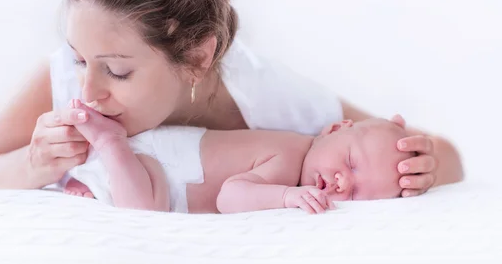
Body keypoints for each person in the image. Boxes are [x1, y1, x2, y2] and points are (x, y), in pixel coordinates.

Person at [0, 0, 463, 199]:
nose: (87, 89)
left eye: (117, 70)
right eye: (79, 57)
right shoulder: (66, 81)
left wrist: (425, 167)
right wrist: (30, 165)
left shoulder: (266, 97)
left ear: (199, 54)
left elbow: (443, 155)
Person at [63, 98, 412, 214]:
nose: (343, 181)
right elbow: (229, 197)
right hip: (163, 163)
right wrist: (287, 196)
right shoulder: (291, 155)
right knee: (142, 209)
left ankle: (93, 181)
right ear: (335, 130)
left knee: (138, 196)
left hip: (158, 167)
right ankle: (110, 144)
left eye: (356, 193)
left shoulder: (296, 154)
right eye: (350, 163)